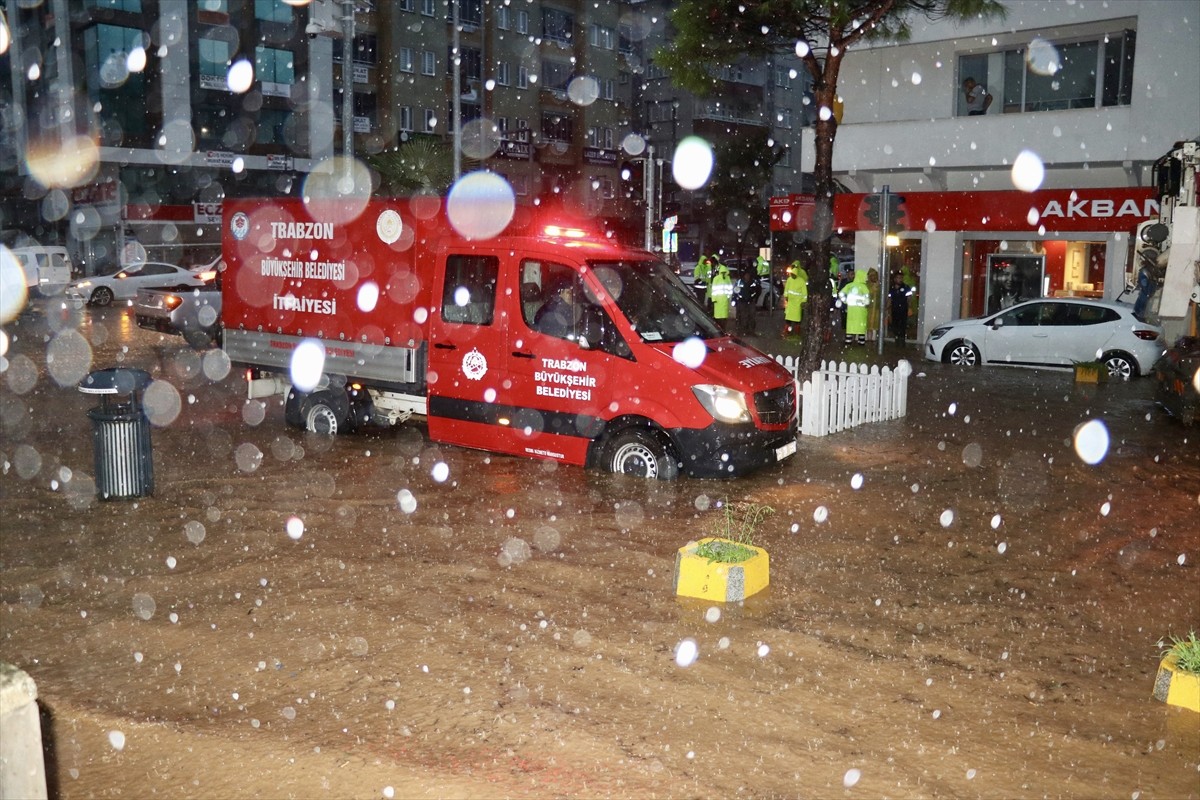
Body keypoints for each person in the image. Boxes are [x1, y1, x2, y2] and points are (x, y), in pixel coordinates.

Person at [840, 268, 871, 345]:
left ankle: (848, 342)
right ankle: (861, 342)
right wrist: (864, 302)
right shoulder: (864, 287)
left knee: (850, 327)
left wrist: (845, 301)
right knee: (861, 329)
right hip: (861, 312)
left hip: (851, 311)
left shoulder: (849, 285)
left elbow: (841, 293)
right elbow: (867, 299)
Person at [782, 261, 808, 338]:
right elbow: (786, 289)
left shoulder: (801, 281)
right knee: (790, 318)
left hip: (797, 303)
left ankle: (795, 331)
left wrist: (803, 302)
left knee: (795, 319)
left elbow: (804, 293)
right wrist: (786, 296)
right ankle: (789, 331)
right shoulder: (790, 280)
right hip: (791, 302)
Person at [888, 271, 913, 343]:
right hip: (894, 309)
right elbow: (890, 299)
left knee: (902, 325)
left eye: (901, 278)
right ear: (895, 279)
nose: (900, 279)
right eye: (898, 278)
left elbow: (909, 298)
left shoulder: (906, 287)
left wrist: (910, 308)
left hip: (903, 309)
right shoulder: (892, 288)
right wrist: (886, 308)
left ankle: (901, 341)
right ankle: (897, 339)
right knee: (895, 325)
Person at [709, 259, 733, 332]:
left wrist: (714, 299)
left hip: (720, 301)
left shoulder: (720, 278)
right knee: (720, 317)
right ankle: (721, 330)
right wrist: (728, 297)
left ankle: (721, 330)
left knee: (721, 317)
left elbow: (714, 290)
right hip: (720, 301)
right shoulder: (724, 278)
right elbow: (714, 290)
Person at [866, 267, 880, 342]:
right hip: (869, 309)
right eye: (871, 276)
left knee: (877, 325)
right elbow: (867, 293)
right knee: (869, 326)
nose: (873, 277)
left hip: (877, 309)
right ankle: (869, 339)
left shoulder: (880, 286)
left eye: (874, 275)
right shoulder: (866, 285)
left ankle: (878, 340)